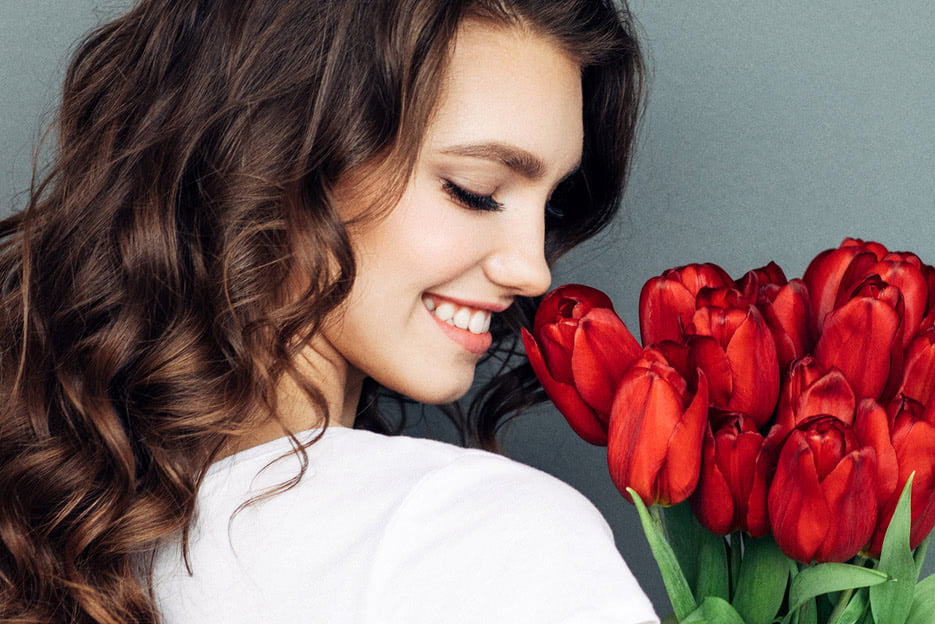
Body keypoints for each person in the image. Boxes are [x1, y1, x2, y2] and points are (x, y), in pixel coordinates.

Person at [0, 0, 657, 622]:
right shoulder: (478, 534)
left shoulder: (61, 536)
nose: (532, 269)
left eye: (551, 202)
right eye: (475, 191)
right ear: (273, 159)